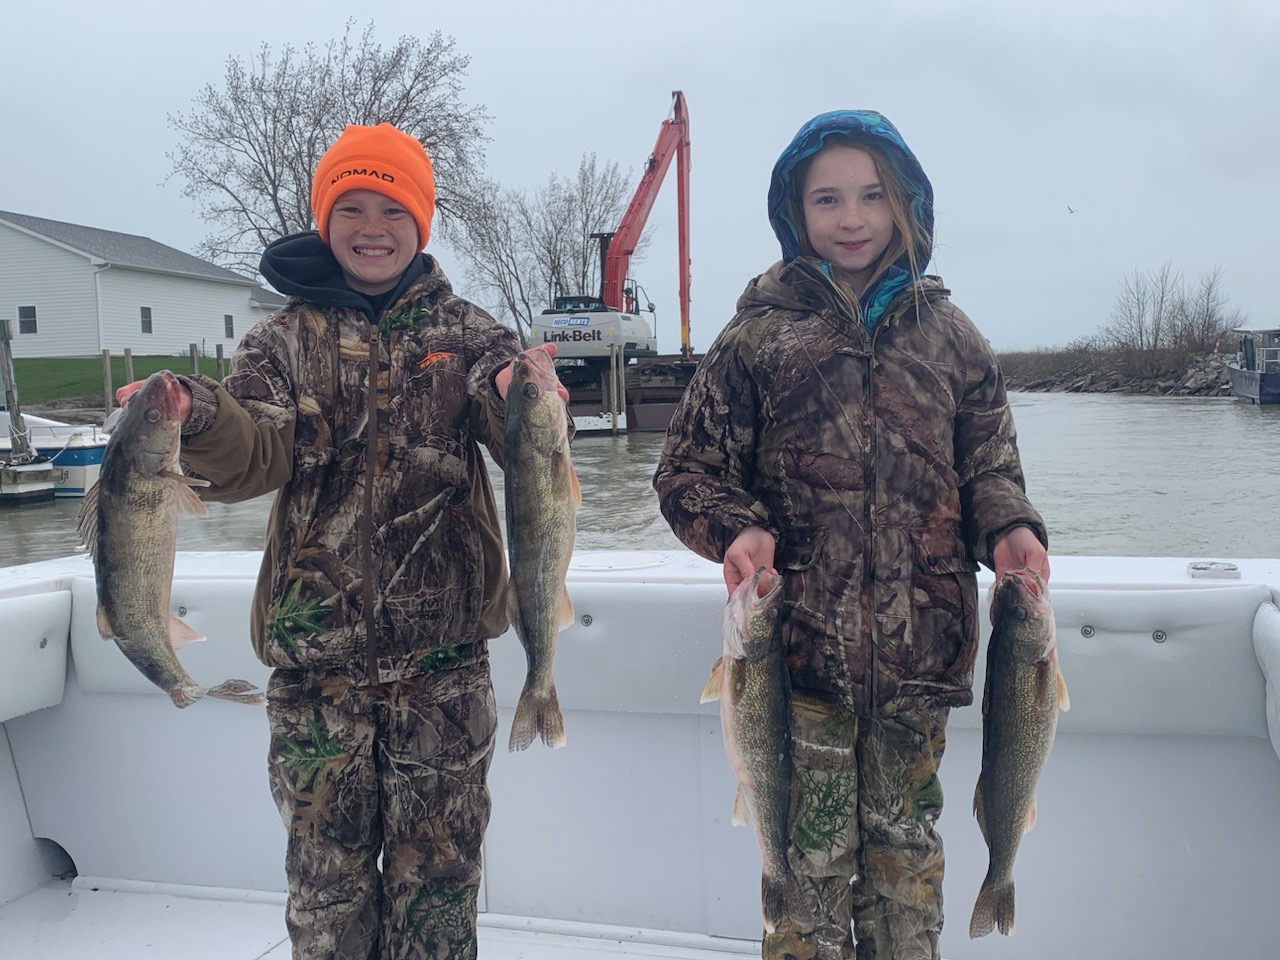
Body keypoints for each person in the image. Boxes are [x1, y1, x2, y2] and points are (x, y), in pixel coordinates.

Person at [117, 122, 565, 960]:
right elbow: (252, 451)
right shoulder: (280, 341)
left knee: (436, 895)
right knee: (325, 895)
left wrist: (518, 396)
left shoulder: (472, 334)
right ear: (324, 221)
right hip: (315, 679)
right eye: (350, 207)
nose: (372, 226)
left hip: (444, 676)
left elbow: (524, 452)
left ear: (421, 222)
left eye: (392, 207)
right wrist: (200, 414)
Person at [653, 110, 1049, 960]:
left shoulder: (953, 338)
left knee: (908, 870)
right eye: (827, 198)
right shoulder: (755, 339)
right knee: (809, 876)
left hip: (920, 668)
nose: (852, 216)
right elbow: (686, 472)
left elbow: (989, 467)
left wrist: (1010, 528)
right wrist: (737, 530)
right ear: (795, 213)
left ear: (907, 204)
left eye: (873, 195)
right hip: (795, 670)